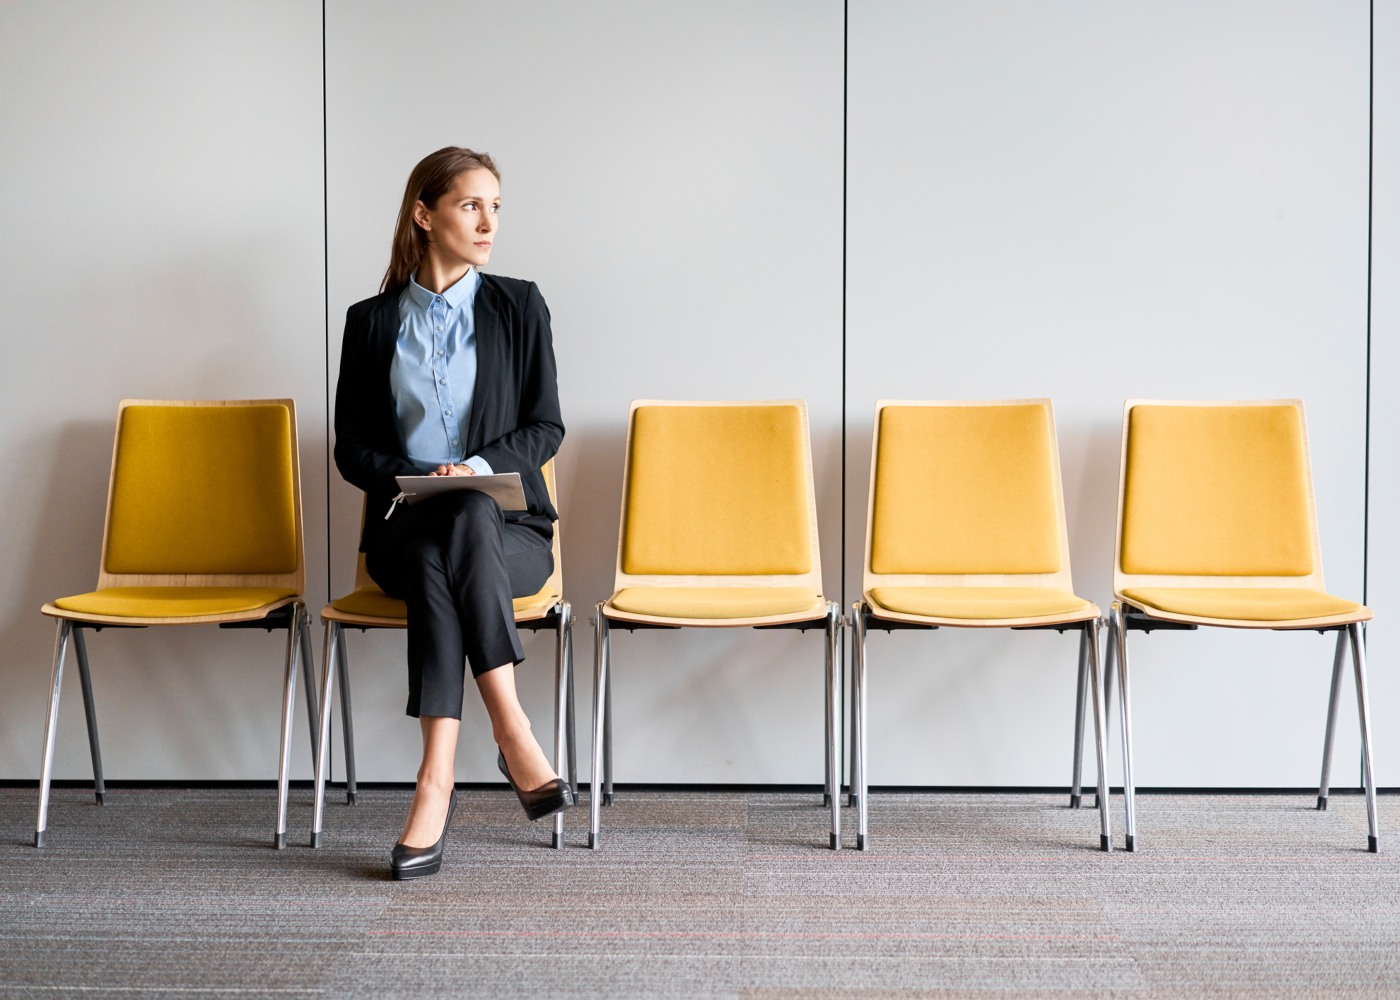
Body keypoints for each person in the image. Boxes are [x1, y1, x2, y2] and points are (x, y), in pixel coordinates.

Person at [334, 146, 572, 880]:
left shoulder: (519, 305)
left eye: (495, 207)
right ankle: (512, 728)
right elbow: (353, 448)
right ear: (424, 214)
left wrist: (470, 471)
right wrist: (414, 476)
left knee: (466, 517)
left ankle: (434, 781)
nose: (487, 221)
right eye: (471, 204)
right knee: (446, 533)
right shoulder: (371, 322)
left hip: (513, 535)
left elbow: (544, 427)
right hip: (406, 531)